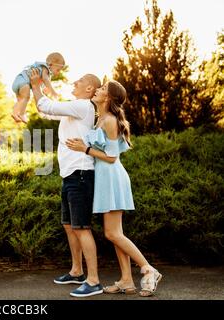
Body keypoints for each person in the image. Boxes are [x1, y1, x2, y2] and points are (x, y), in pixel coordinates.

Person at [65, 80, 163, 297]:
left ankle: (148, 269)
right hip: (104, 178)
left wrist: (85, 149)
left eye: (101, 89)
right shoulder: (101, 119)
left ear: (108, 98)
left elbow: (111, 157)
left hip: (112, 177)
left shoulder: (109, 121)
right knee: (116, 233)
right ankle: (126, 280)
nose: (97, 90)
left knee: (112, 233)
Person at [29, 68, 104, 298]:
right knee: (70, 226)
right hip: (70, 175)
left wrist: (35, 85)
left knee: (81, 228)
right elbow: (46, 112)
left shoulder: (82, 106)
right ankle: (77, 271)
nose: (74, 81)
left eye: (79, 80)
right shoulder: (74, 108)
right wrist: (41, 86)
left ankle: (94, 281)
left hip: (80, 175)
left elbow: (47, 106)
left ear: (89, 88)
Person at [11, 52, 65, 124]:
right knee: (26, 97)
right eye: (58, 70)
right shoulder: (45, 68)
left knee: (21, 100)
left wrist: (45, 89)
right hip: (23, 80)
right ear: (51, 64)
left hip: (19, 80)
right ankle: (22, 114)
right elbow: (45, 79)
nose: (58, 72)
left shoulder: (42, 71)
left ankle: (14, 114)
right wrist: (52, 91)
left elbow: (43, 83)